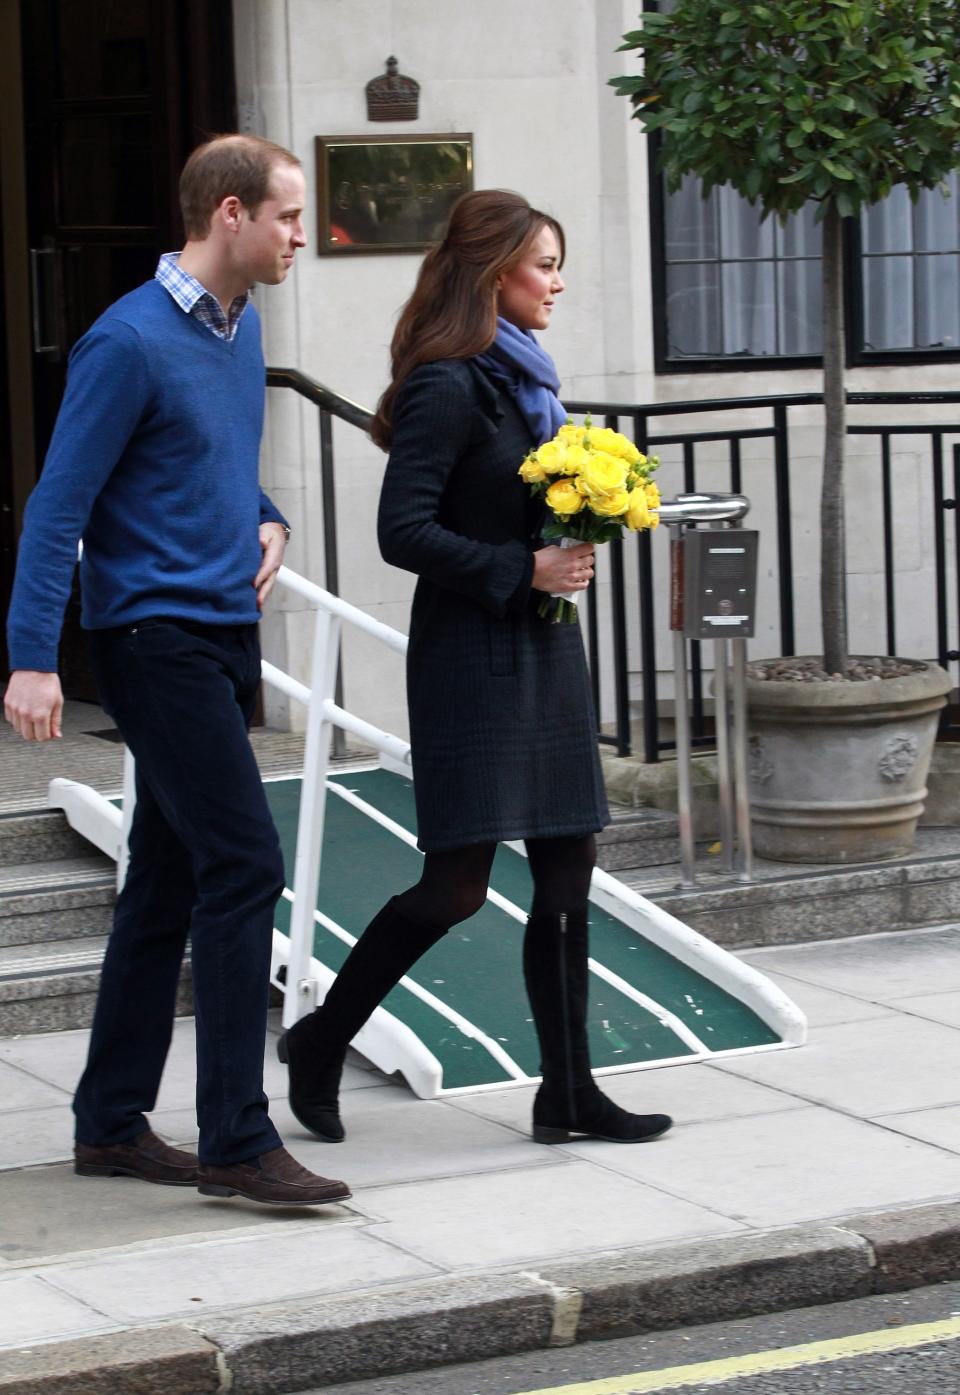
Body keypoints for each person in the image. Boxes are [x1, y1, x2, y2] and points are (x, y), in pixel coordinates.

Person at [278, 189, 673, 1147]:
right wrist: (519, 565)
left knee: (569, 868)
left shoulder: (530, 384)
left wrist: (575, 533)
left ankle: (569, 1092)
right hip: (471, 656)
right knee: (456, 883)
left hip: (542, 644)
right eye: (544, 264)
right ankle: (324, 1035)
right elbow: (401, 530)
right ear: (493, 272)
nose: (559, 281)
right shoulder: (448, 383)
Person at [3, 134, 351, 1208]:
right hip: (151, 640)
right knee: (245, 864)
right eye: (290, 216)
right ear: (232, 215)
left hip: (217, 634)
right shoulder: (128, 342)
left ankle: (110, 1125)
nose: (303, 236)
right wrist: (31, 657)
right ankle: (239, 1142)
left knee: (163, 878)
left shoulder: (242, 330)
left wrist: (269, 515)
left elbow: (209, 462)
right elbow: (59, 503)